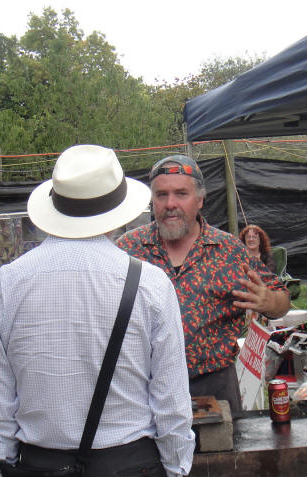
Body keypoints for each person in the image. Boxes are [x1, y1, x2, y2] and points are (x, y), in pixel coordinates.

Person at [0, 145, 195, 476]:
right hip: (129, 464)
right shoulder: (151, 285)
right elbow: (170, 401)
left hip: (38, 463)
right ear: (119, 209)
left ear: (55, 204)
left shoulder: (5, 285)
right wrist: (176, 466)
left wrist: (5, 459)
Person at [116, 155, 290, 412]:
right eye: (161, 195)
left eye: (181, 194)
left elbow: (281, 299)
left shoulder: (229, 251)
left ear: (199, 200)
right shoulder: (129, 249)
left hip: (214, 385)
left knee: (224, 452)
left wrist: (270, 301)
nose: (170, 204)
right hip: (142, 390)